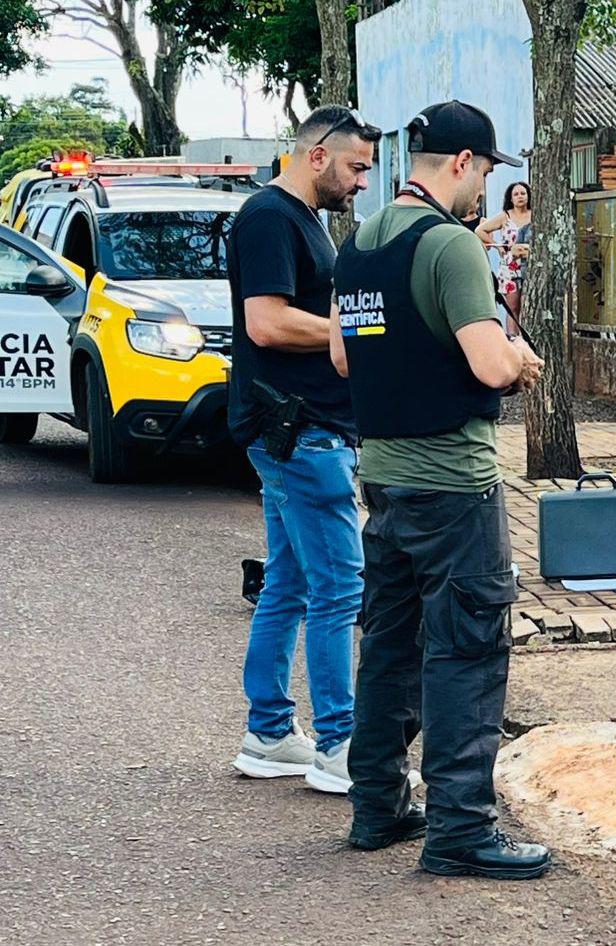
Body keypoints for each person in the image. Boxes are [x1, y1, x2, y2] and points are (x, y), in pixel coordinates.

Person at [329, 100, 549, 879]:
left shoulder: (359, 245)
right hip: (454, 483)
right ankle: (461, 831)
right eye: (485, 170)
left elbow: (344, 358)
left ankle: (377, 806)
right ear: (461, 163)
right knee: (467, 650)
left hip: (383, 480)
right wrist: (521, 362)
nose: (485, 186)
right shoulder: (450, 243)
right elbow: (489, 362)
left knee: (390, 647)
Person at [227, 105, 380, 793]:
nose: (362, 182)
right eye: (356, 167)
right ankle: (339, 746)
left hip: (299, 428)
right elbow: (265, 323)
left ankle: (269, 734)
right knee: (339, 588)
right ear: (317, 155)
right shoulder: (269, 217)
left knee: (288, 583)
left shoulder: (300, 217)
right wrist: (350, 334)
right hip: (302, 431)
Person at [475, 181, 532, 316]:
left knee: (530, 306)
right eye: (516, 194)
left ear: (528, 196)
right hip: (510, 266)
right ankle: (512, 331)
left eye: (523, 193)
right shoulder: (505, 216)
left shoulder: (536, 215)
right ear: (510, 199)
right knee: (513, 307)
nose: (520, 196)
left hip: (531, 264)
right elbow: (480, 230)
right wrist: (497, 245)